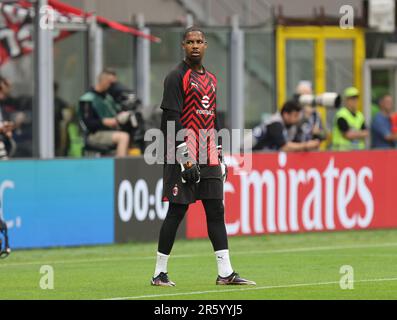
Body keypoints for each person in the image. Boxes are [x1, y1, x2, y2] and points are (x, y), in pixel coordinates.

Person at [151, 27, 255, 287]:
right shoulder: (176, 76)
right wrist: (184, 157)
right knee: (177, 210)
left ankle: (225, 273)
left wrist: (219, 154)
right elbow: (170, 120)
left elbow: (213, 119)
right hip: (184, 153)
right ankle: (159, 274)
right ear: (182, 46)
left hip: (208, 153)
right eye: (190, 42)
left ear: (206, 45)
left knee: (216, 210)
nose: (195, 46)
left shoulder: (212, 79)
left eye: (199, 41)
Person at [78, 69, 130, 157]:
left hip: (111, 132)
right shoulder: (87, 99)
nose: (113, 86)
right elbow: (88, 123)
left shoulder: (108, 98)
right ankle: (121, 168)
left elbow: (117, 112)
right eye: (111, 83)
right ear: (103, 81)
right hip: (94, 134)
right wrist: (105, 122)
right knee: (123, 137)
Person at [251, 100, 320, 152]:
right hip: (246, 156)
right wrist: (306, 145)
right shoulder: (275, 123)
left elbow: (296, 143)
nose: (298, 118)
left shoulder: (290, 126)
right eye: (295, 115)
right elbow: (284, 147)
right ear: (286, 114)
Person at [332, 87, 368, 151]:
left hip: (358, 151)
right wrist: (360, 133)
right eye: (352, 99)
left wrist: (353, 133)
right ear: (346, 100)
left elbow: (366, 133)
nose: (355, 101)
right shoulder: (341, 115)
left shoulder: (360, 115)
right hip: (342, 152)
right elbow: (347, 135)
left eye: (356, 98)